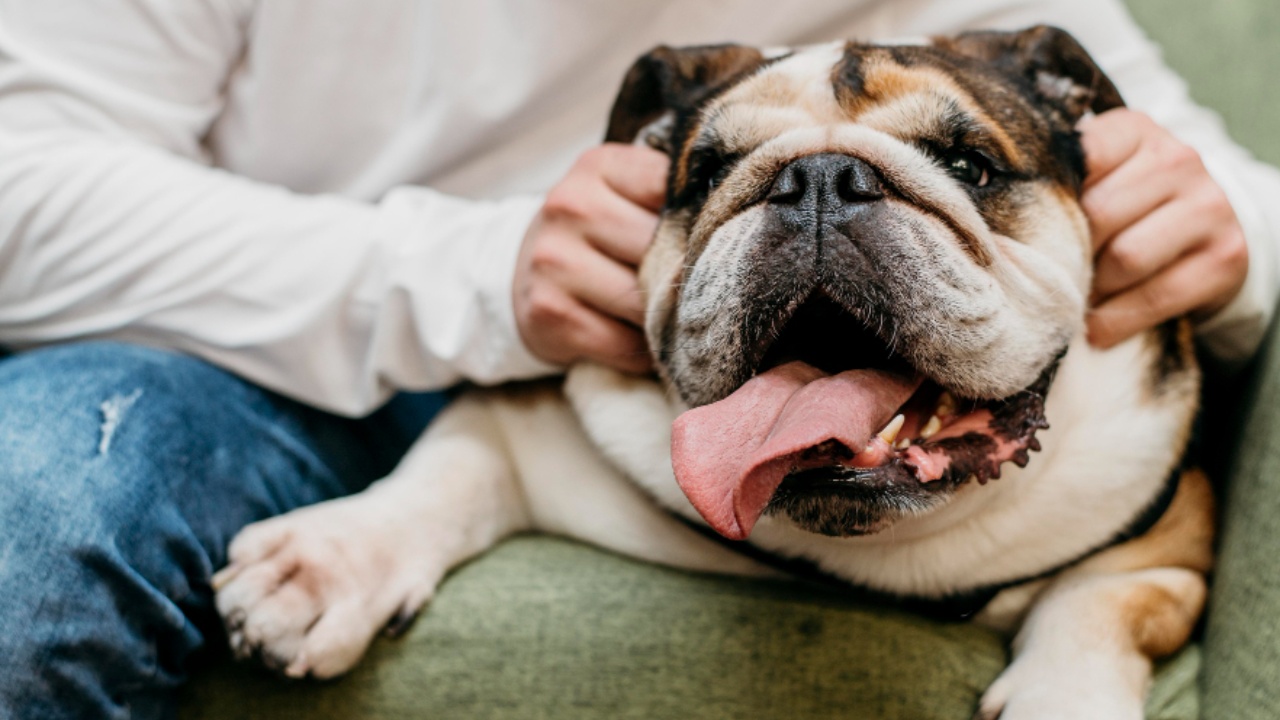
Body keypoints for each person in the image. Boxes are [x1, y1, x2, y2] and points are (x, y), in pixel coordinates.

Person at [0, 1, 1274, 718]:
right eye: (723, 176)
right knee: (32, 513)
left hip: (654, 374)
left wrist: (1211, 225)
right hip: (229, 348)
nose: (816, 205)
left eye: (957, 166)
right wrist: (483, 278)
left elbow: (1234, 201)